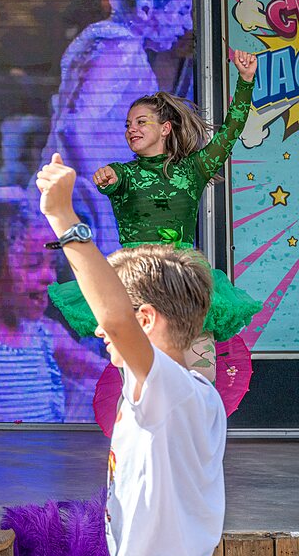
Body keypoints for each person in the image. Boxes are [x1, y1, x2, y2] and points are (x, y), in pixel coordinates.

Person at [35, 156, 235, 556]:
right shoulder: (191, 393)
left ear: (144, 319)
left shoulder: (169, 390)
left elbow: (116, 321)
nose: (100, 331)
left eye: (113, 319)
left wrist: (63, 219)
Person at [48, 51, 261, 380]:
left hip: (184, 277)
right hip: (135, 280)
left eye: (140, 122)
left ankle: (195, 428)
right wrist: (107, 178)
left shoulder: (194, 169)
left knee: (200, 377)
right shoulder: (124, 173)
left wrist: (245, 81)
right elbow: (110, 178)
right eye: (127, 125)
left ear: (165, 128)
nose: (131, 129)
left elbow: (229, 133)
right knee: (141, 377)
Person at [44, 0, 194, 255]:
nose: (186, 23)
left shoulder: (115, 43)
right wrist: (103, 203)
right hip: (87, 208)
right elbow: (72, 127)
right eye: (182, 10)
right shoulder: (117, 48)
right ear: (146, 8)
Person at [0, 185, 101, 422]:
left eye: (53, 264)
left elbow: (104, 371)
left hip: (42, 458)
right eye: (33, 264)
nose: (49, 277)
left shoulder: (47, 334)